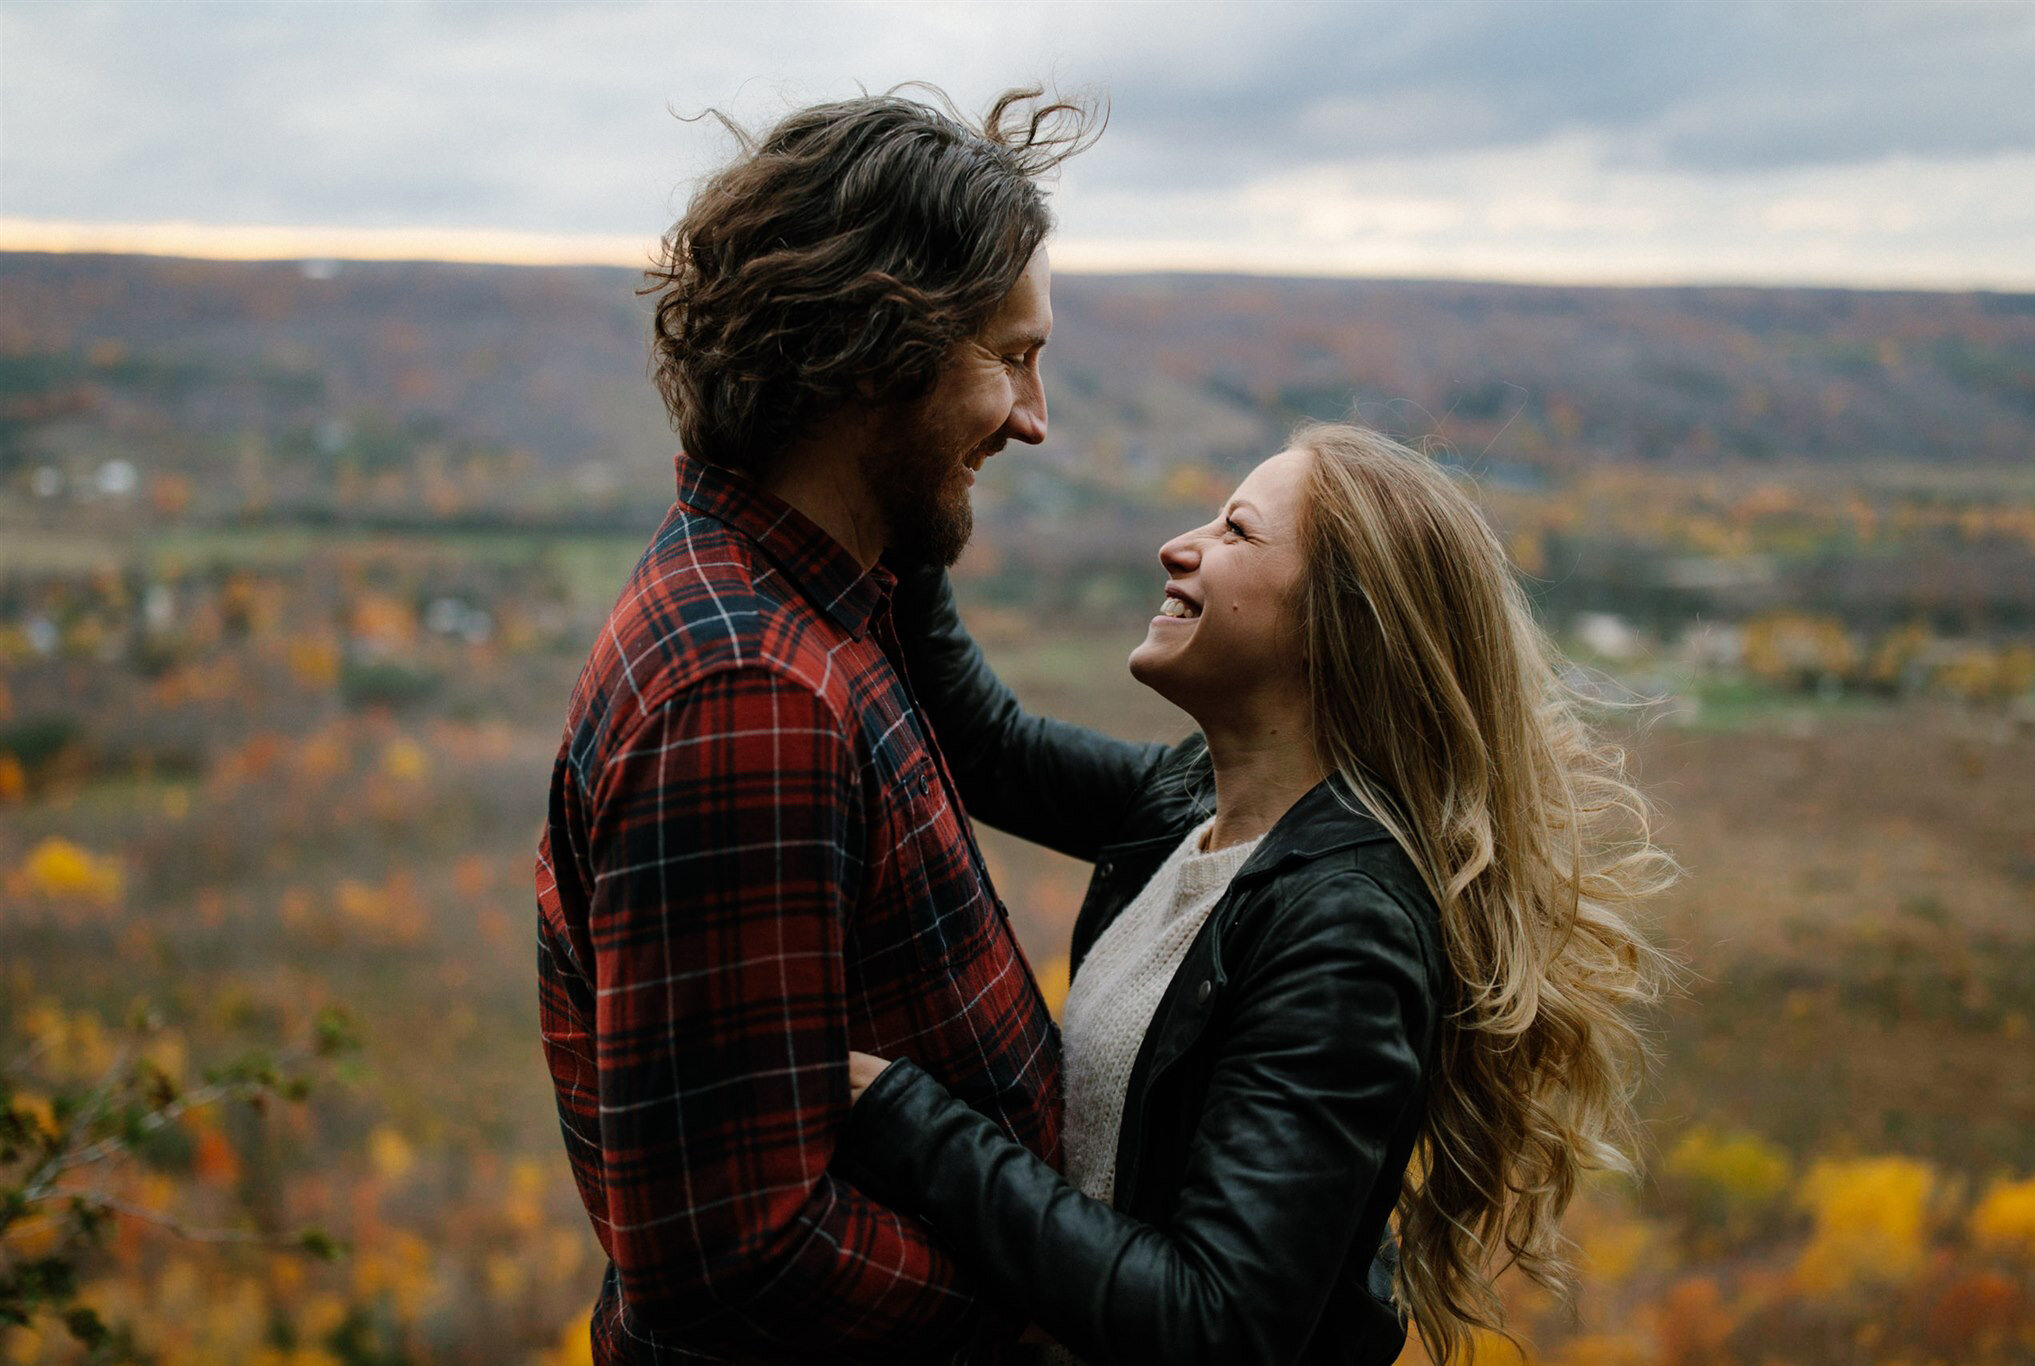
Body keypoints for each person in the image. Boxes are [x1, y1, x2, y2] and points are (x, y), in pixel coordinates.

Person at [840, 423, 1676, 1365]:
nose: (1178, 545)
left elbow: (1218, 1323)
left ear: (1339, 618)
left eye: (1236, 532)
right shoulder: (1190, 804)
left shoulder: (1345, 928)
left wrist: (915, 1128)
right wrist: (899, 486)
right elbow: (987, 747)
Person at [534, 87, 1099, 1363]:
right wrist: (1063, 1318)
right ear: (872, 348)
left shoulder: (823, 609)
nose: (1033, 417)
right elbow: (736, 1260)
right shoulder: (751, 691)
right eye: (1008, 357)